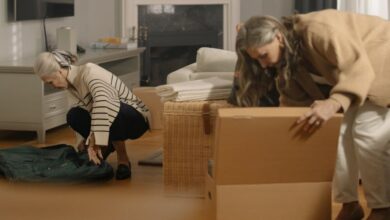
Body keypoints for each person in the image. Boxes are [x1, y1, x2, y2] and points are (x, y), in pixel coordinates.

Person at [234, 9, 390, 220]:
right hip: (359, 78)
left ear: (278, 37)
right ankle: (350, 204)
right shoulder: (287, 59)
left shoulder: (318, 29)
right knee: (337, 134)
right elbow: (292, 103)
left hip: (380, 62)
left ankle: (383, 208)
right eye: (257, 60)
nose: (263, 65)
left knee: (366, 129)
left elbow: (358, 69)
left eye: (263, 55)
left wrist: (333, 103)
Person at [34, 50, 151, 180]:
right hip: (109, 115)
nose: (52, 86)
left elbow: (104, 102)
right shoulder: (71, 86)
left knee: (111, 108)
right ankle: (105, 146)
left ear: (60, 72)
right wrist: (82, 142)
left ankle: (123, 158)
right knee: (74, 115)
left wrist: (93, 142)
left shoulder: (89, 71)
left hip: (134, 117)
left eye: (51, 82)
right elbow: (81, 110)